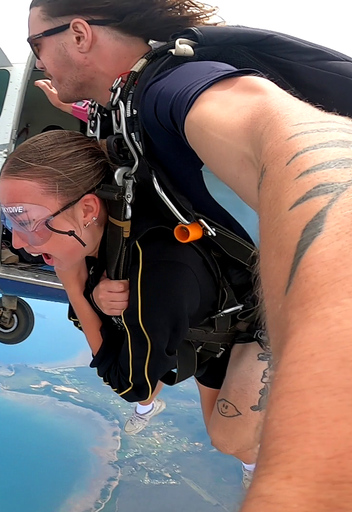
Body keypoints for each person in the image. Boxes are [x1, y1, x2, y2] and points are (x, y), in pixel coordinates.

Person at [26, 1, 352, 509]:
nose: (39, 62)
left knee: (230, 434)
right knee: (218, 417)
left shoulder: (171, 88)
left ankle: (253, 457)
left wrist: (315, 477)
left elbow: (292, 141)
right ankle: (249, 456)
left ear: (81, 34)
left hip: (256, 301)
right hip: (223, 292)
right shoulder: (125, 102)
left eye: (36, 45)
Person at [0, 130, 267, 488]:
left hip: (260, 321)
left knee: (229, 437)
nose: (19, 243)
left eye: (28, 221)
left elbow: (132, 388)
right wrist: (94, 294)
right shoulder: (109, 228)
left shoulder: (154, 270)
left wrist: (75, 285)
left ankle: (261, 466)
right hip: (211, 321)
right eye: (10, 220)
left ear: (88, 209)